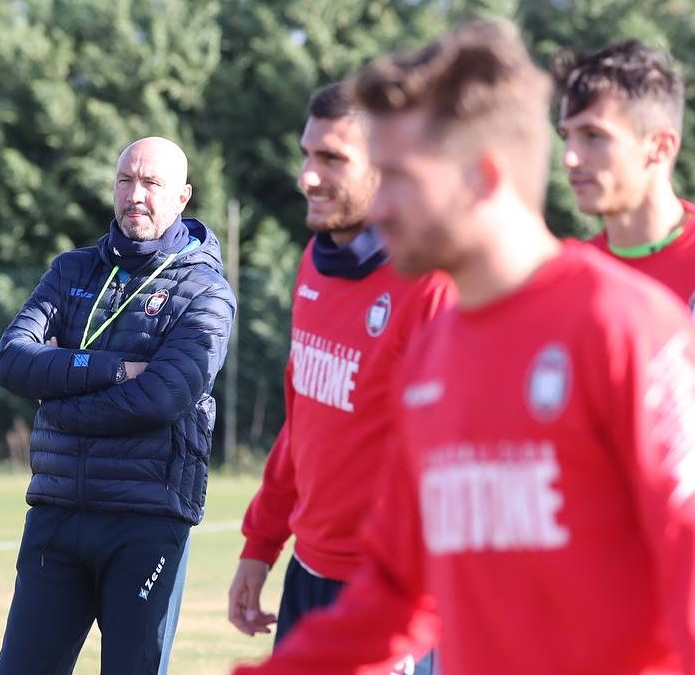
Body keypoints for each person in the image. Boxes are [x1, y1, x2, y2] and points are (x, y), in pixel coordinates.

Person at [234, 19, 695, 675]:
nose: (381, 203)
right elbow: (398, 591)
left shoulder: (624, 328)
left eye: (399, 176)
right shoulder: (436, 350)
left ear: (482, 175)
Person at [226, 82, 451, 675]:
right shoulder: (316, 260)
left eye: (332, 159)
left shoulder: (430, 285)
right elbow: (305, 419)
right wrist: (262, 542)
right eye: (307, 153)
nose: (307, 177)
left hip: (387, 592)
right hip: (309, 575)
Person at [0, 136, 236, 675]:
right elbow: (11, 361)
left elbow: (162, 398)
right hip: (58, 511)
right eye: (126, 180)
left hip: (146, 518)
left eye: (152, 183)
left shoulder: (206, 291)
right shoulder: (71, 271)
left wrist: (57, 396)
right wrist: (112, 369)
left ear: (182, 197)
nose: (136, 196)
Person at [558, 40, 695, 315]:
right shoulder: (567, 282)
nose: (569, 159)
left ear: (661, 146)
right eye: (567, 137)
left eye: (593, 136)